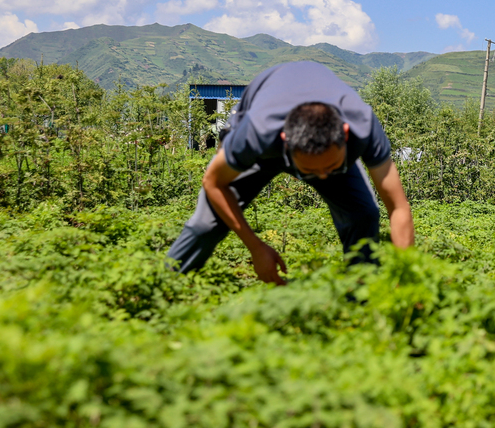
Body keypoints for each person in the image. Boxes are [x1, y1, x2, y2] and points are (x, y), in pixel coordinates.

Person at [167, 60, 414, 285]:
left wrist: (409, 280)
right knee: (207, 224)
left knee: (364, 214)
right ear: (285, 141)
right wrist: (255, 247)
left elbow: (399, 207)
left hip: (315, 139)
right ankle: (164, 283)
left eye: (331, 167)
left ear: (345, 134)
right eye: (309, 170)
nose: (322, 176)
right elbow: (213, 183)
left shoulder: (364, 126)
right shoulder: (257, 132)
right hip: (265, 143)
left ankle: (363, 298)